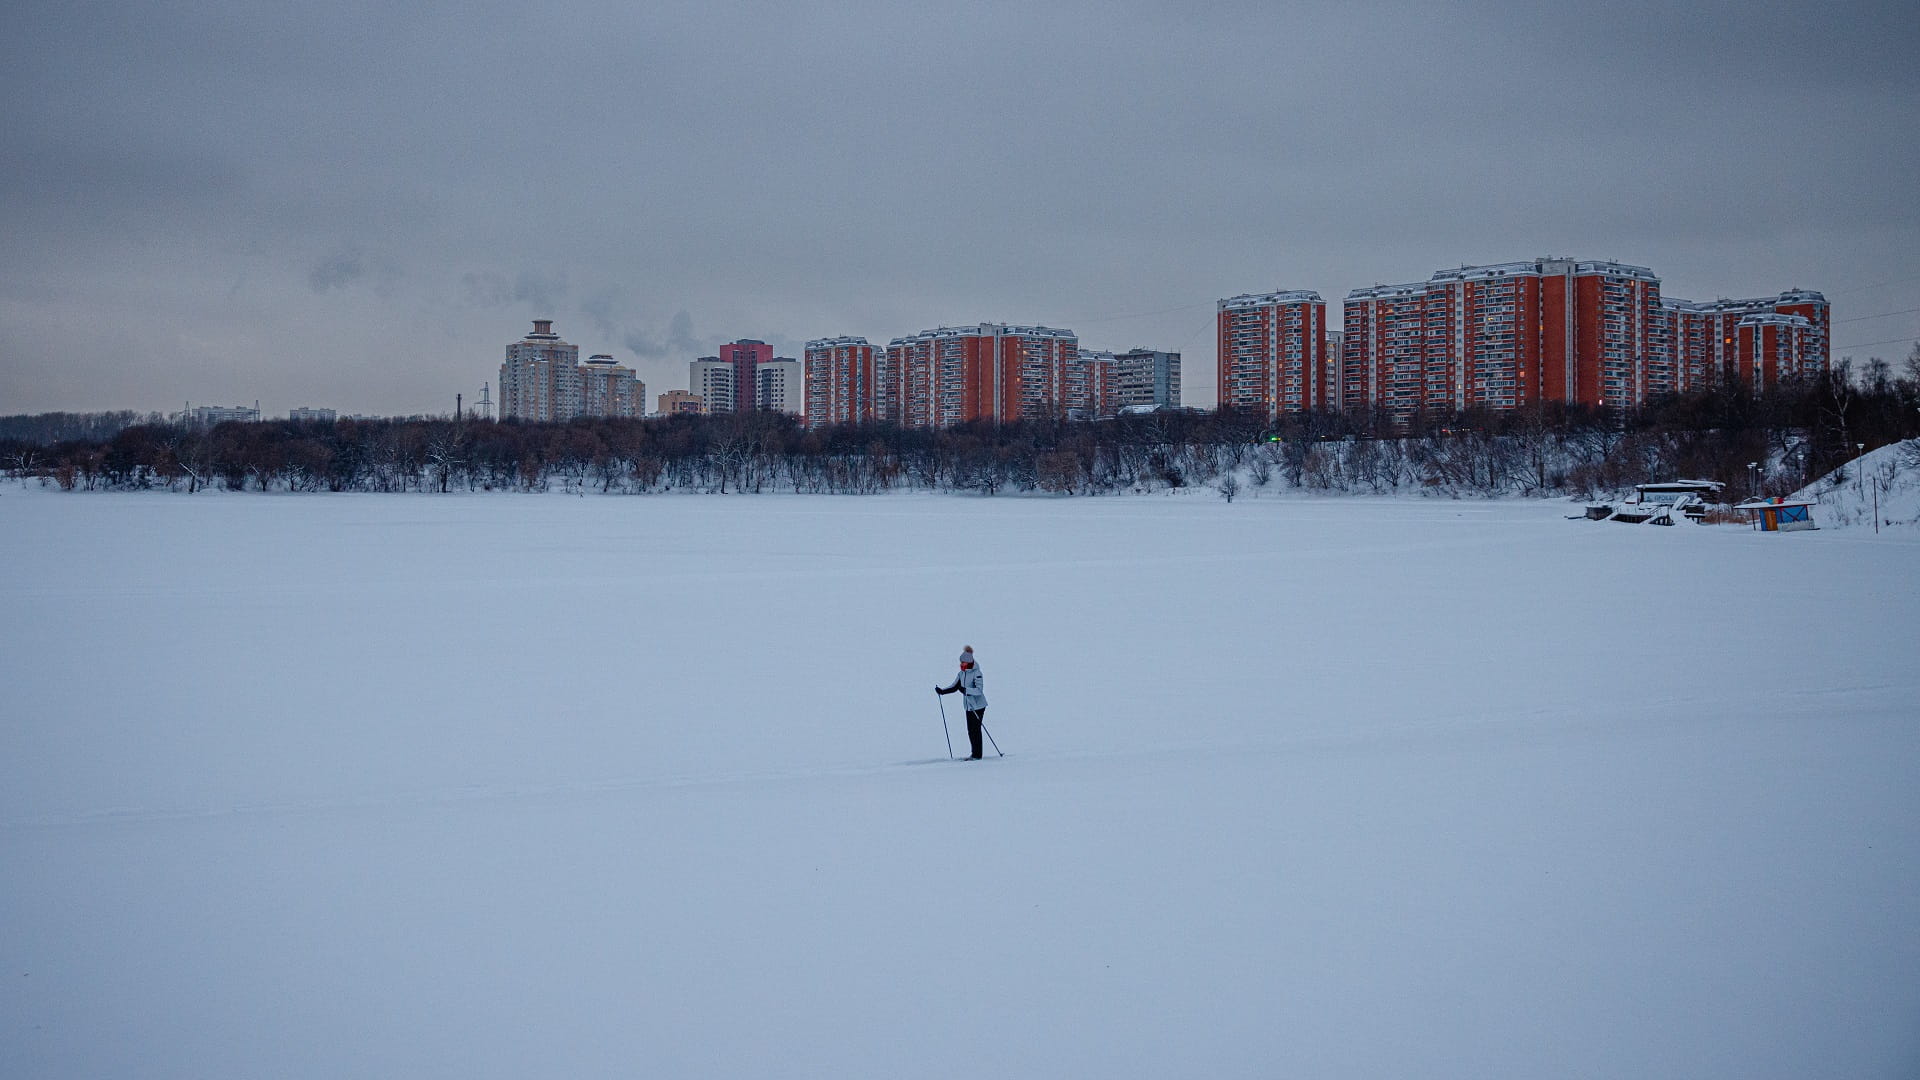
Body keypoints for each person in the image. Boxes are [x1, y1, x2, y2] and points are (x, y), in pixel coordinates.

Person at [935, 645, 989, 759]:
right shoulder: (961, 674)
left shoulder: (977, 673)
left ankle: (977, 755)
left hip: (978, 706)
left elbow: (979, 690)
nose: (961, 665)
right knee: (970, 730)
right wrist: (942, 691)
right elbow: (954, 687)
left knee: (975, 730)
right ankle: (974, 753)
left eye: (963, 663)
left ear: (969, 662)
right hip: (969, 706)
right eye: (961, 663)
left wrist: (966, 690)